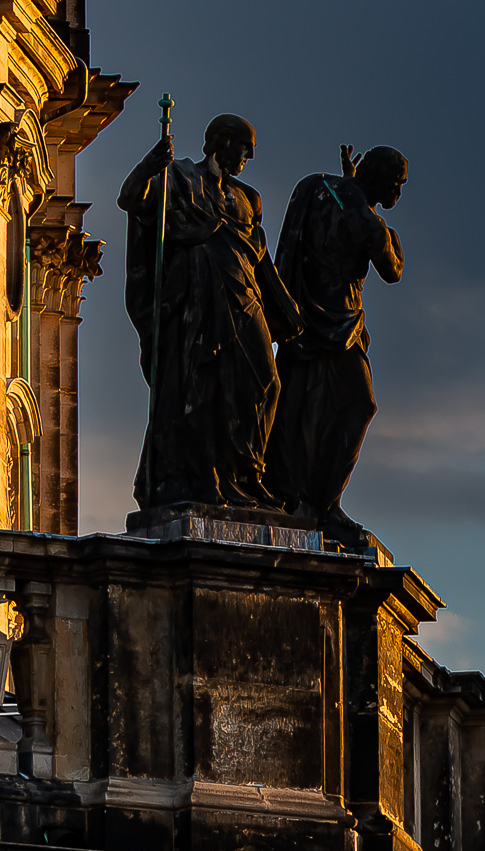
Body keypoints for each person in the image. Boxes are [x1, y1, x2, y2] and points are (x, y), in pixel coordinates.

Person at [120, 113, 302, 509]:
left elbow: (260, 258)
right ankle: (205, 478)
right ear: (219, 142)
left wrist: (287, 309)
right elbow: (131, 198)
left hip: (244, 296)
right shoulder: (181, 178)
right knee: (201, 388)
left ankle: (247, 474)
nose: (246, 159)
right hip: (196, 297)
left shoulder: (248, 199)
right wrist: (150, 166)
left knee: (265, 384)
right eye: (242, 149)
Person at [269, 144, 408, 547]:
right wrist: (378, 221)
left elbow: (289, 242)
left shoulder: (315, 187)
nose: (399, 194)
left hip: (301, 314)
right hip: (338, 318)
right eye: (397, 185)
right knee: (356, 405)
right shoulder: (369, 223)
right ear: (380, 179)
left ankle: (301, 495)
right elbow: (393, 270)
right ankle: (324, 504)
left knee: (297, 405)